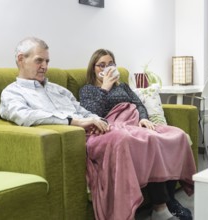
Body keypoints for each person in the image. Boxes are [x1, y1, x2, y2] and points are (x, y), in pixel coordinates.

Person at [79, 49, 196, 220]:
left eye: (110, 64)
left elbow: (138, 103)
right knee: (151, 140)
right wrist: (105, 88)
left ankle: (169, 199)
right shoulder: (88, 90)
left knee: (177, 135)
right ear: (93, 68)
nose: (106, 68)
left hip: (134, 123)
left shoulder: (123, 86)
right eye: (101, 65)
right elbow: (92, 114)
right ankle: (161, 208)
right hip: (114, 127)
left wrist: (143, 118)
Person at [0, 37, 109, 132]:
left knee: (121, 134)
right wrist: (74, 122)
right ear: (21, 59)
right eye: (39, 61)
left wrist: (99, 122)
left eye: (47, 61)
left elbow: (83, 112)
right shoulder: (12, 93)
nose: (45, 66)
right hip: (73, 135)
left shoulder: (60, 90)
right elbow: (25, 116)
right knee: (120, 139)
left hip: (94, 133)